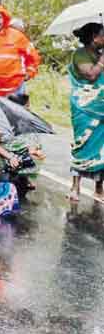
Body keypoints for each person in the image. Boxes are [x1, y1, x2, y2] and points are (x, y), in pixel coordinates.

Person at [68, 22, 104, 203]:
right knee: (81, 146)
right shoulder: (80, 54)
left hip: (101, 108)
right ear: (93, 37)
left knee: (102, 149)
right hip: (84, 107)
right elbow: (90, 75)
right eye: (102, 35)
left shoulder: (99, 54)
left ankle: (99, 188)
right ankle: (75, 187)